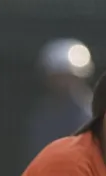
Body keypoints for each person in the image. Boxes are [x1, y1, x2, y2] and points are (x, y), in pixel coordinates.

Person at [25, 38, 95, 166]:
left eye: (68, 77)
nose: (63, 83)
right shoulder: (43, 113)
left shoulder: (92, 113)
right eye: (58, 77)